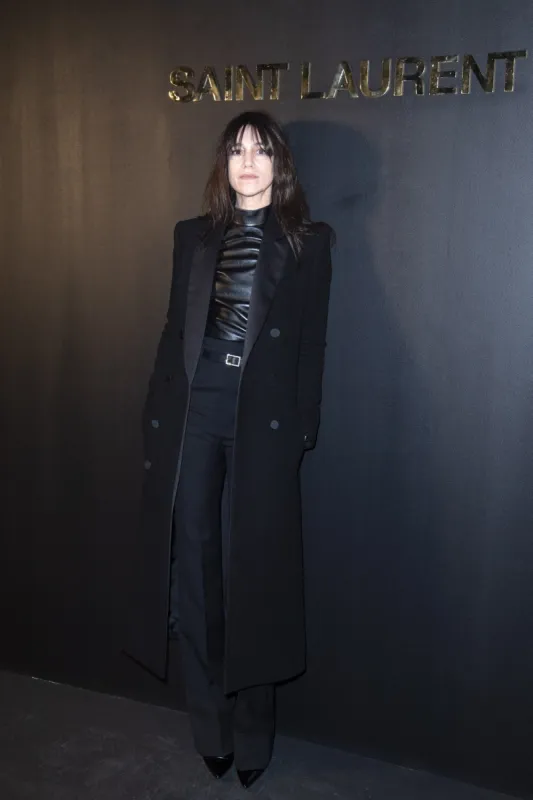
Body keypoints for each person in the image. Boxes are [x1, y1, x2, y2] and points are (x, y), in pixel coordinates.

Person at [126, 110, 333, 788]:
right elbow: (169, 331)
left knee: (256, 578)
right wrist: (157, 415)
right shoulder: (192, 236)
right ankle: (208, 726)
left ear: (280, 164)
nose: (247, 162)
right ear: (224, 163)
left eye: (261, 150)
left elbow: (310, 346)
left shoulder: (309, 242)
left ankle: (252, 733)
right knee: (196, 575)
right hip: (193, 418)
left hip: (261, 428)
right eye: (236, 150)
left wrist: (301, 429)